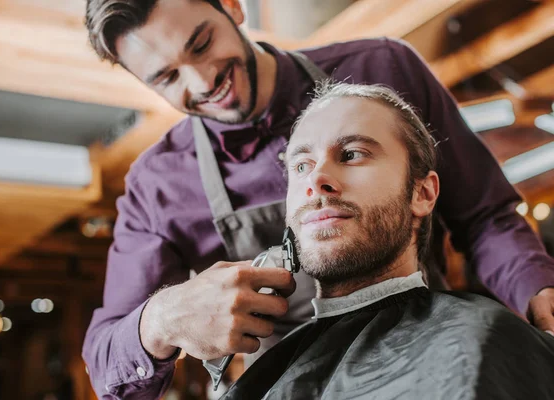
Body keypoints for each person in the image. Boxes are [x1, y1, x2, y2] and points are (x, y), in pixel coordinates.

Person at [80, 0, 554, 398]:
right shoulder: (158, 183)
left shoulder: (382, 67)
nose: (203, 82)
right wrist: (160, 320)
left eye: (202, 44)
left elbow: (485, 215)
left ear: (232, 6)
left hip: (425, 351)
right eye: (166, 78)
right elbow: (106, 361)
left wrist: (538, 290)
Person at [222, 82, 554, 400]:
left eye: (352, 154)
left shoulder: (483, 340)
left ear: (422, 193)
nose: (316, 179)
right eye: (301, 164)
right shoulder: (268, 375)